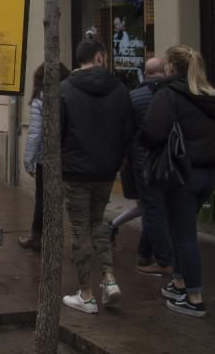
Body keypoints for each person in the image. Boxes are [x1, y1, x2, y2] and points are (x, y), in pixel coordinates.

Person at [141, 46, 215, 318]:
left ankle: (194, 296)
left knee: (184, 236)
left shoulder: (169, 94)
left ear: (170, 68)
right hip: (208, 175)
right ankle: (179, 283)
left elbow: (152, 132)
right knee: (181, 230)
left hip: (180, 173)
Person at [59, 40, 133, 314]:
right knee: (98, 221)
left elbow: (58, 131)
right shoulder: (120, 89)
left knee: (80, 228)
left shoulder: (65, 89)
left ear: (79, 60)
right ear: (100, 57)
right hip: (106, 170)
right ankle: (110, 278)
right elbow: (128, 130)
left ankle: (86, 293)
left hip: (76, 170)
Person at [118, 57, 174, 275]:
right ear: (165, 72)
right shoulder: (173, 96)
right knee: (158, 209)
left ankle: (162, 259)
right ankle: (144, 253)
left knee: (152, 209)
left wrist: (124, 158)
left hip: (143, 162)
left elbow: (126, 132)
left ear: (146, 73)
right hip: (170, 161)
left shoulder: (133, 97)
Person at [19, 62, 71, 252]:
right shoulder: (70, 95)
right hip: (70, 155)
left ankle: (37, 237)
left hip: (46, 157)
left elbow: (35, 133)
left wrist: (28, 160)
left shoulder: (40, 99)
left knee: (42, 197)